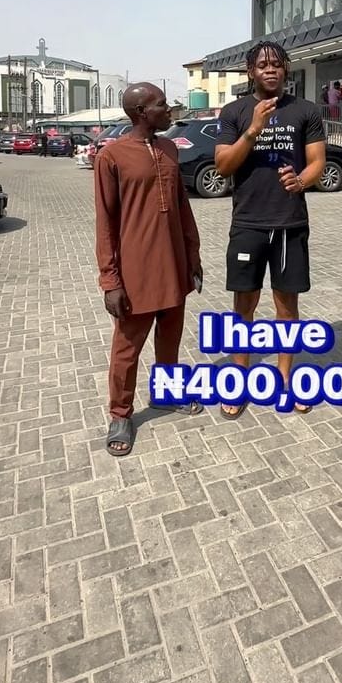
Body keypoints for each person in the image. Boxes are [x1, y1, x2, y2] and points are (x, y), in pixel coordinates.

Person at [215, 42, 326, 417]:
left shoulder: (306, 110)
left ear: (286, 69)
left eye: (277, 64)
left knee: (287, 307)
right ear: (251, 72)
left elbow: (317, 161)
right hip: (248, 222)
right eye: (262, 65)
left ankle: (285, 380)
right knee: (243, 306)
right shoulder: (234, 112)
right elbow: (223, 166)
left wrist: (302, 180)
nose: (270, 70)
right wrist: (253, 129)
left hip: (289, 222)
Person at [94, 82, 203, 456]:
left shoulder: (170, 149)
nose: (169, 110)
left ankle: (167, 395)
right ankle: (120, 414)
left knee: (170, 337)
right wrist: (110, 280)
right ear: (141, 112)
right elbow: (105, 223)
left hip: (174, 264)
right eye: (162, 104)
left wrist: (193, 257)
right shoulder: (111, 157)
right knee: (127, 348)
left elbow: (182, 207)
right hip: (135, 272)